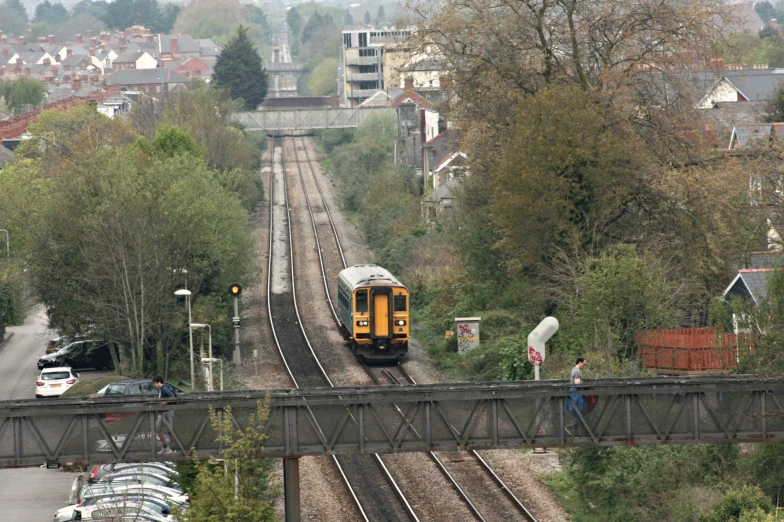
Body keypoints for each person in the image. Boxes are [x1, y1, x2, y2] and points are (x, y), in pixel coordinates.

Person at [153, 376, 176, 455]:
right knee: (157, 428)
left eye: (155, 383)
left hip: (168, 411)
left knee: (170, 429)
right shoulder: (160, 389)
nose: (154, 385)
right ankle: (165, 446)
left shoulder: (165, 388)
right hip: (162, 412)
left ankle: (172, 448)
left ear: (159, 382)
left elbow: (172, 396)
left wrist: (166, 402)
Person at [566, 358, 587, 434]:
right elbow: (577, 383)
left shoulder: (573, 369)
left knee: (576, 413)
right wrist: (585, 388)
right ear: (579, 362)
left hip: (572, 392)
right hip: (576, 393)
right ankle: (570, 425)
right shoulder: (577, 372)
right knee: (582, 411)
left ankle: (575, 432)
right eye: (584, 364)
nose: (584, 366)